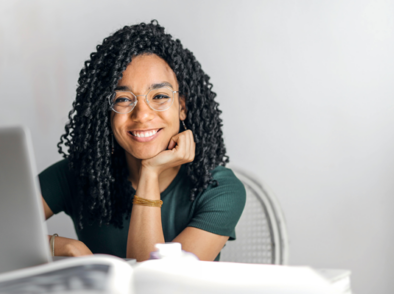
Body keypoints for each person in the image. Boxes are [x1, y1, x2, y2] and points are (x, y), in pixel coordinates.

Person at [38, 20, 245, 262]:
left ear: (182, 107)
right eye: (123, 99)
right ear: (106, 111)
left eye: (159, 96)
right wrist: (65, 246)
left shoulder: (219, 189)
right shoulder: (78, 173)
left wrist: (150, 172)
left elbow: (156, 283)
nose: (142, 115)